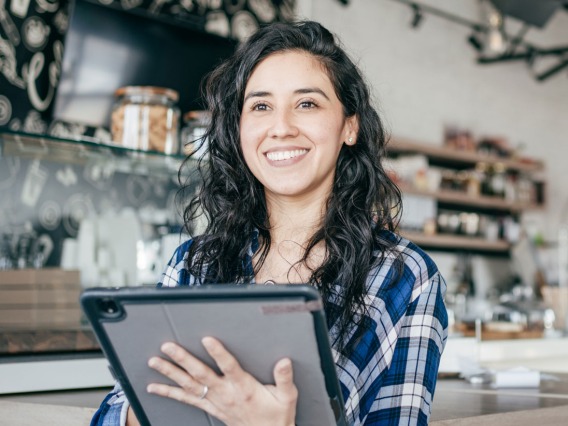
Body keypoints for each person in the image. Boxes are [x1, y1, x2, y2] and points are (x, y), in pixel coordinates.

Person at [92, 20, 448, 426]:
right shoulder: (194, 263)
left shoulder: (403, 278)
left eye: (307, 103)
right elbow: (113, 414)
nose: (281, 128)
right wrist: (151, 408)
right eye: (261, 106)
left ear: (350, 125)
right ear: (239, 128)